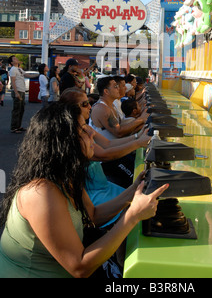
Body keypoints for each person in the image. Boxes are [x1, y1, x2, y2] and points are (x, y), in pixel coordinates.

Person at [0, 102, 168, 278]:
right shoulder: (40, 194)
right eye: (82, 130)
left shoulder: (65, 177)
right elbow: (79, 267)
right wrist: (133, 215)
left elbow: (93, 215)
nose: (92, 132)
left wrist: (134, 191)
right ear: (63, 142)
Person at [59, 87, 151, 226]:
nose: (90, 106)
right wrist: (138, 142)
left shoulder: (84, 127)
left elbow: (108, 144)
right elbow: (104, 154)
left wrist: (138, 137)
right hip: (95, 192)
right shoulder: (74, 135)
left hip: (103, 184)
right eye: (85, 104)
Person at [8, 55, 36, 134]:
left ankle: (18, 126)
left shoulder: (19, 69)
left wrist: (37, 75)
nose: (16, 59)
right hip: (18, 91)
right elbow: (13, 81)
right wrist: (16, 93)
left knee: (21, 109)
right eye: (14, 59)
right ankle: (14, 127)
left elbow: (27, 75)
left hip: (22, 91)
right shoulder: (13, 69)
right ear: (12, 62)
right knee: (16, 110)